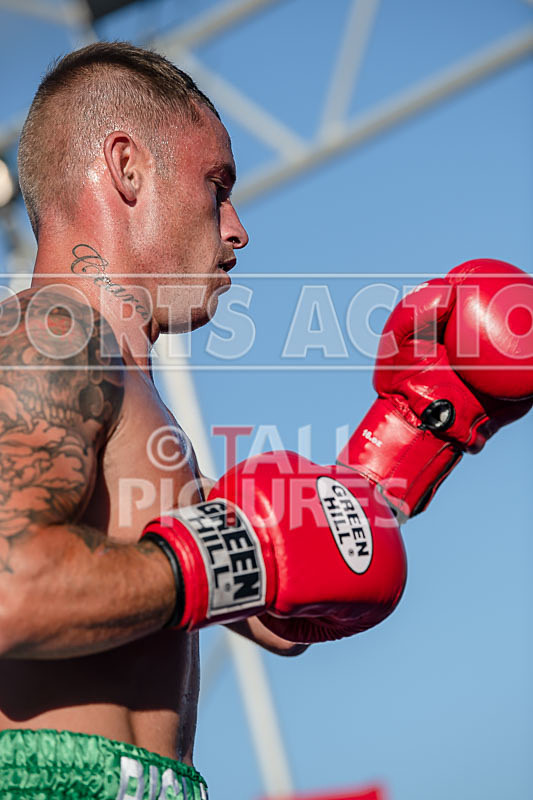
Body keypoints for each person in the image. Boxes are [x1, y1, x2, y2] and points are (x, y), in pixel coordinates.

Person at [0, 42, 411, 799]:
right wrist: (210, 562)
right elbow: (9, 591)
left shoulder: (126, 394)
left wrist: (422, 429)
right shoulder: (53, 335)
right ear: (127, 168)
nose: (236, 229)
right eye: (216, 185)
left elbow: (283, 598)